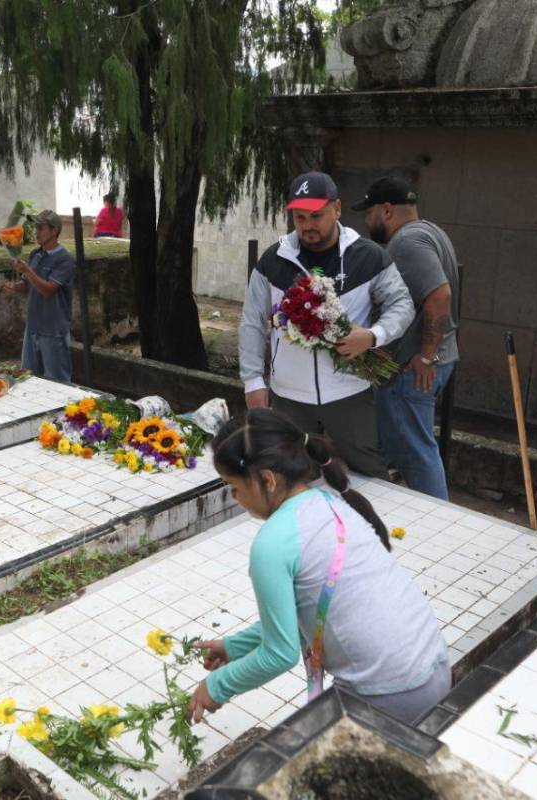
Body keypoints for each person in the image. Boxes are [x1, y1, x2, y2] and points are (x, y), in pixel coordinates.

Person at [186, 409, 451, 725]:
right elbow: (301, 617)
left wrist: (215, 686)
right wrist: (234, 646)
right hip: (433, 670)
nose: (235, 497)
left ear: (267, 480)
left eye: (234, 487)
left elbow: (279, 654)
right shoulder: (330, 504)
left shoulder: (272, 544)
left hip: (388, 694)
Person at [239, 171, 416, 479]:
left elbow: (402, 305)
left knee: (368, 475)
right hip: (289, 397)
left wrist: (373, 336)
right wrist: (253, 380)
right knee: (291, 476)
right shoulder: (273, 261)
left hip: (349, 392)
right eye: (299, 217)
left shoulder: (369, 257)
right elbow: (253, 321)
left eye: (317, 216)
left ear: (337, 209)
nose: (308, 225)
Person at [356, 177, 460, 500]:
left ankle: (438, 524)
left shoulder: (407, 243)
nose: (366, 219)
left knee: (417, 454)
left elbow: (440, 295)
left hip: (417, 368)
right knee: (396, 445)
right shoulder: (431, 232)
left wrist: (427, 355)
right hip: (433, 361)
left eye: (369, 211)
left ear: (387, 211)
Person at [5, 209, 76, 381]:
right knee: (28, 379)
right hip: (33, 326)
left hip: (53, 329)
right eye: (35, 228)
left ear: (54, 231)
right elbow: (28, 286)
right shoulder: (35, 254)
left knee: (57, 382)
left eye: (41, 228)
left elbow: (48, 290)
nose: (36, 232)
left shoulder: (64, 260)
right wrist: (15, 287)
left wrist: (27, 270)